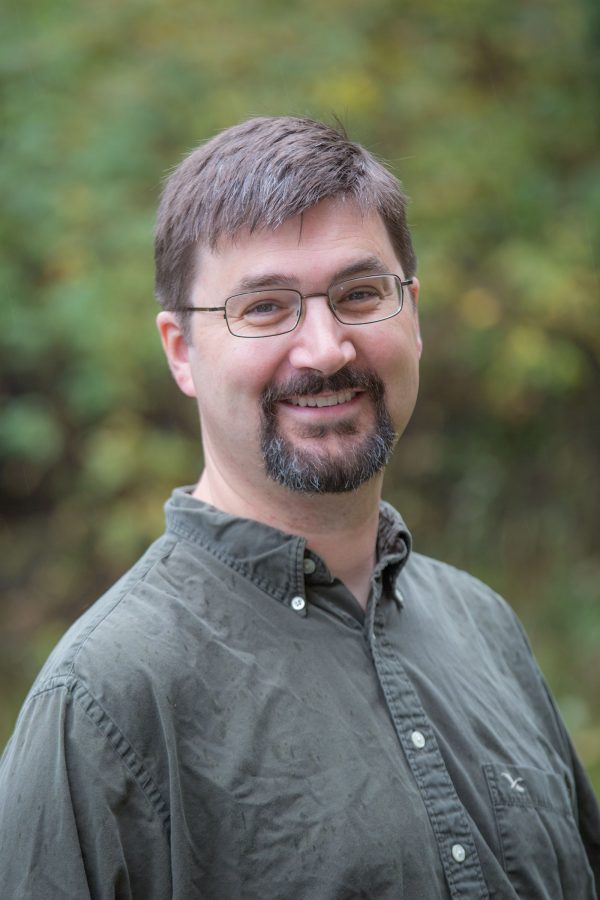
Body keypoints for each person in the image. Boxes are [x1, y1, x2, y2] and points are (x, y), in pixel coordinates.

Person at [0, 116, 598, 899]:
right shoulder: (103, 702)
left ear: (412, 315)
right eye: (264, 307)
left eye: (360, 295)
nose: (325, 349)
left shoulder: (485, 626)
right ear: (182, 352)